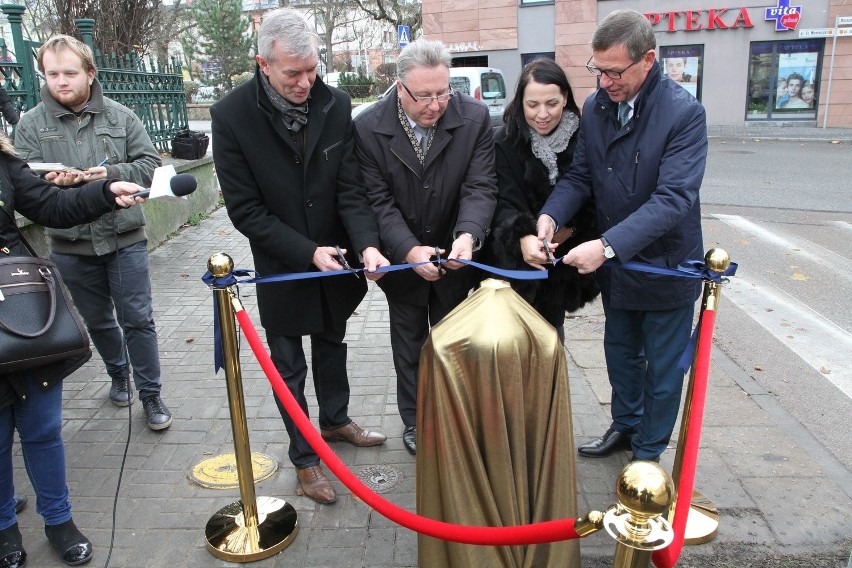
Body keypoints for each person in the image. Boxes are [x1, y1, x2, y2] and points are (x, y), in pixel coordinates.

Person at [210, 8, 390, 505]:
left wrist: (367, 243)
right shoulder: (231, 116)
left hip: (336, 258)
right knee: (288, 364)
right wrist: (306, 251)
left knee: (333, 341)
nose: (306, 82)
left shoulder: (335, 104)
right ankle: (305, 460)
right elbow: (245, 210)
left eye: (313, 69)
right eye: (294, 73)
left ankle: (334, 421)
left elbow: (352, 188)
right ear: (263, 64)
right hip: (283, 264)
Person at [535, 9, 708, 463]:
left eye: (614, 71)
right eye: (598, 70)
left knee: (663, 371)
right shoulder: (597, 107)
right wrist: (550, 217)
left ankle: (648, 455)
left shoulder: (684, 114)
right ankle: (625, 426)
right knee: (621, 356)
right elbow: (580, 176)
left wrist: (606, 246)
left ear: (647, 60)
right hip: (618, 270)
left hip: (665, 269)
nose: (605, 81)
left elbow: (674, 199)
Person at [0, 132, 145, 567]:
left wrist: (104, 192)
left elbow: (52, 207)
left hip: (23, 312)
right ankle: (5, 527)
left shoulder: (3, 163)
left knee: (42, 428)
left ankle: (58, 519)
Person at [14, 35, 172, 431]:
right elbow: (24, 184)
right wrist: (55, 183)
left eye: (69, 73)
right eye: (52, 74)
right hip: (70, 245)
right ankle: (118, 373)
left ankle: (151, 394)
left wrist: (113, 173)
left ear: (90, 73)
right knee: (98, 321)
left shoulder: (121, 116)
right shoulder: (31, 124)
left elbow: (152, 164)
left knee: (137, 319)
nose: (61, 82)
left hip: (124, 239)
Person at [354, 39, 497, 455]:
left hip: (457, 256)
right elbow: (376, 200)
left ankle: (455, 417)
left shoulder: (474, 118)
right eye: (424, 96)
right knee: (410, 343)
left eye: (443, 92)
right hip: (403, 263)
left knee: (455, 344)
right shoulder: (368, 127)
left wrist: (467, 236)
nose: (436, 105)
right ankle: (415, 420)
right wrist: (407, 250)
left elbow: (480, 187)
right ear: (400, 89)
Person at [486, 59, 599, 341]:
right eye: (532, 104)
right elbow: (501, 199)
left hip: (563, 262)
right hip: (515, 263)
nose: (542, 114)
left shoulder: (583, 139)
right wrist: (521, 236)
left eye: (552, 103)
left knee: (550, 341)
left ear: (565, 100)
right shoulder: (505, 140)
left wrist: (569, 231)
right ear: (520, 102)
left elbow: (592, 195)